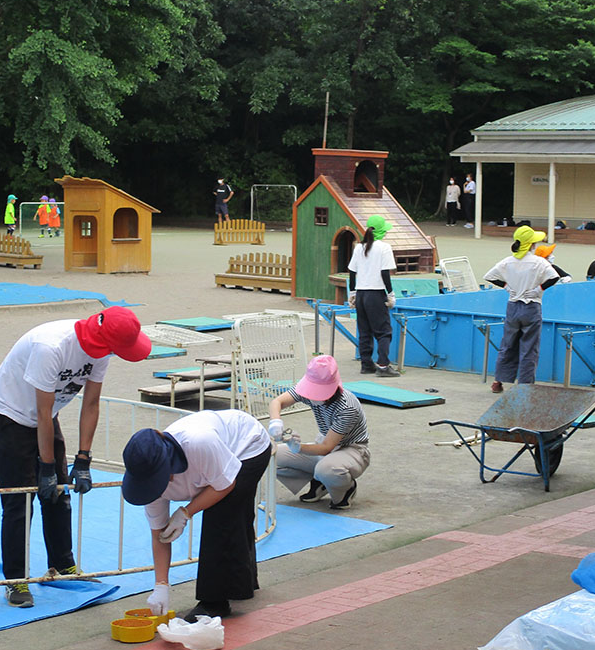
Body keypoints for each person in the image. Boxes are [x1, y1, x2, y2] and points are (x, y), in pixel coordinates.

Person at [0, 306, 152, 608]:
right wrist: (45, 466)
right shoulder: (51, 347)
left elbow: (91, 404)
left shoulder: (101, 351)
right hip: (10, 415)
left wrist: (84, 458)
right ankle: (15, 580)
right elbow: (42, 412)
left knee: (58, 493)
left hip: (47, 416)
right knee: (20, 499)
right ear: (106, 339)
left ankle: (63, 564)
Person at [122, 410, 272, 623]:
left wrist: (186, 513)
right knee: (234, 515)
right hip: (218, 454)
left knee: (220, 516)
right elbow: (159, 535)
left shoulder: (199, 443)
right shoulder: (148, 482)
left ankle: (214, 601)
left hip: (248, 445)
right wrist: (161, 585)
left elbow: (226, 485)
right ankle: (242, 581)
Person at [268, 355, 369, 511]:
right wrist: (275, 422)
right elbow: (277, 402)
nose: (311, 396)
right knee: (271, 454)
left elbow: (326, 447)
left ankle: (346, 488)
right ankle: (319, 481)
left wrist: (298, 447)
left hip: (351, 448)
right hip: (323, 443)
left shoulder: (347, 407)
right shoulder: (306, 391)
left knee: (328, 470)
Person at [483, 226, 560, 393]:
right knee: (529, 347)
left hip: (512, 306)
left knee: (507, 344)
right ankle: (525, 385)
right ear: (532, 244)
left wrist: (506, 286)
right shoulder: (539, 262)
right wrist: (539, 288)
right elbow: (554, 277)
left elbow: (488, 276)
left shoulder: (507, 261)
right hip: (531, 306)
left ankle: (498, 381)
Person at [347, 214, 399, 377]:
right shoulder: (384, 248)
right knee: (384, 331)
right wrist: (390, 294)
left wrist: (352, 293)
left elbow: (352, 271)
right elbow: (385, 273)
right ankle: (383, 366)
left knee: (364, 330)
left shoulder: (359, 247)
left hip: (361, 294)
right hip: (376, 294)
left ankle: (366, 364)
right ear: (382, 231)